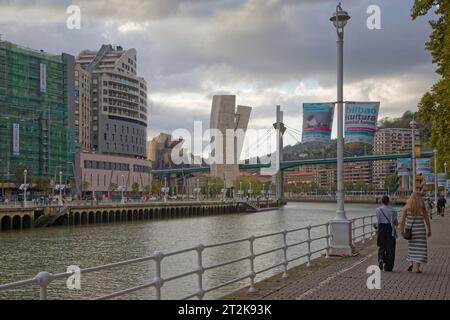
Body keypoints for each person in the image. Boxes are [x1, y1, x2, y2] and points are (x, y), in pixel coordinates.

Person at [400, 192, 432, 273]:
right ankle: (417, 268)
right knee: (420, 249)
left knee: (412, 248)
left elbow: (402, 221)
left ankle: (411, 263)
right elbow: (427, 219)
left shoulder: (406, 207)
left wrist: (402, 231)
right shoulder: (422, 207)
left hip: (411, 232)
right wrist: (429, 230)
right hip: (420, 230)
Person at [375, 195, 398, 271]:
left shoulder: (378, 210)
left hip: (381, 228)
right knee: (390, 248)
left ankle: (381, 258)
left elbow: (378, 221)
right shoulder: (393, 210)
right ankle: (388, 266)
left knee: (381, 245)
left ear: (382, 201)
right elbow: (395, 222)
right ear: (389, 201)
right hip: (389, 229)